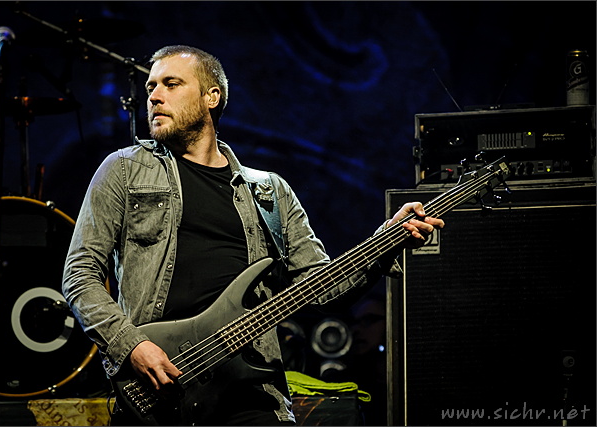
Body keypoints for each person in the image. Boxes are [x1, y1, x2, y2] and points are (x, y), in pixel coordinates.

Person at [62, 45, 444, 426]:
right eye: (151, 87)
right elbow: (80, 274)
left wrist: (384, 243)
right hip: (160, 387)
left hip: (251, 391)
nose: (155, 97)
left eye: (171, 84)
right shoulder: (124, 170)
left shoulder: (269, 192)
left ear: (212, 97)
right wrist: (132, 345)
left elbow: (321, 289)